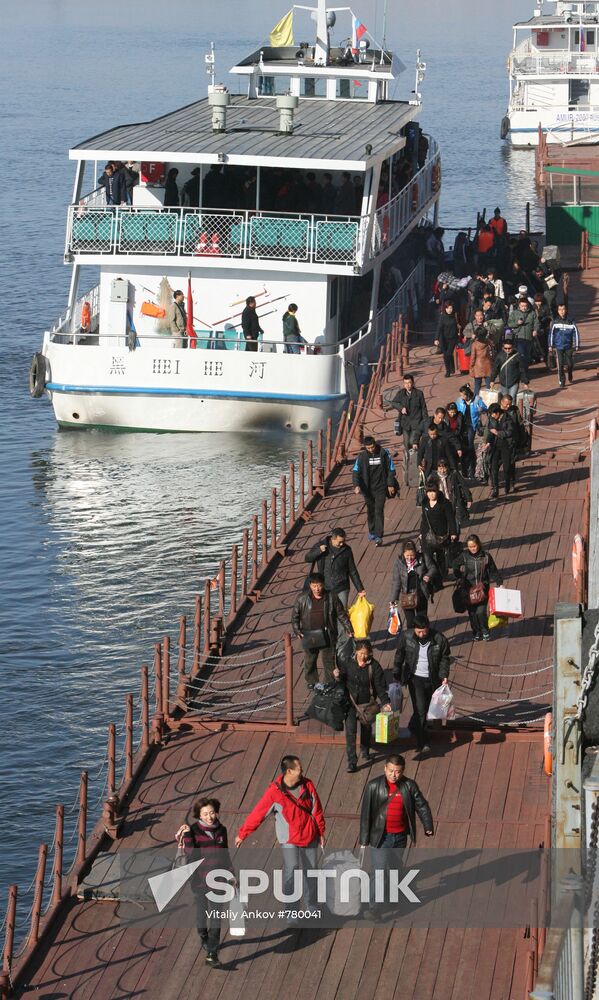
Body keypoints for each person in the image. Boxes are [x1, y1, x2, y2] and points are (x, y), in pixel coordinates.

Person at [234, 755, 325, 915]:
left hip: (310, 835)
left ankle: (311, 904)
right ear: (289, 771)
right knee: (292, 869)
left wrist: (321, 832)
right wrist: (243, 834)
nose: (302, 771)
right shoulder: (274, 792)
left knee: (311, 871)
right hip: (289, 839)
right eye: (299, 769)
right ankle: (291, 911)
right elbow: (258, 813)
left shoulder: (307, 784)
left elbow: (316, 809)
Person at [359, 755, 433, 915]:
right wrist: (364, 839)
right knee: (378, 871)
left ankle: (393, 900)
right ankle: (374, 908)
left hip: (400, 837)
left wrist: (428, 825)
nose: (394, 775)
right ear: (385, 768)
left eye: (398, 772)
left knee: (394, 869)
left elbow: (422, 805)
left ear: (403, 771)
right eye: (391, 771)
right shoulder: (373, 786)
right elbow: (365, 813)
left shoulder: (409, 786)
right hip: (381, 837)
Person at [176, 797, 232, 968]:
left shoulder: (222, 830)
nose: (210, 817)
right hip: (199, 880)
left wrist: (232, 874)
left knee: (216, 918)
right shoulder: (192, 831)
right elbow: (191, 854)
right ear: (199, 815)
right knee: (202, 914)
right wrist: (186, 836)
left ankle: (211, 954)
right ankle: (203, 936)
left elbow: (225, 854)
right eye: (206, 814)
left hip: (218, 881)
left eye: (212, 813)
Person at [393, 615, 451, 752]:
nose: (421, 634)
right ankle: (423, 741)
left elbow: (445, 658)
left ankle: (413, 726)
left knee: (426, 707)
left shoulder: (439, 639)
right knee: (421, 710)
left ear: (428, 628)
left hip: (432, 679)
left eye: (423, 631)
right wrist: (396, 673)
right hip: (415, 678)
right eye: (418, 631)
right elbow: (399, 655)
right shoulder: (406, 637)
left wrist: (444, 675)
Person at [333, 640, 391, 773]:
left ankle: (365, 749)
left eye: (365, 654)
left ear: (370, 653)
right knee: (350, 732)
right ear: (356, 652)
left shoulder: (375, 666)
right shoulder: (349, 663)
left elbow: (380, 686)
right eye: (360, 653)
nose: (363, 657)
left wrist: (385, 702)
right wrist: (337, 676)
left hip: (367, 704)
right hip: (350, 703)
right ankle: (351, 762)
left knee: (366, 728)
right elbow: (342, 679)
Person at [291, 572, 352, 688]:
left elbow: (341, 614)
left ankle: (329, 683)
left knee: (329, 660)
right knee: (310, 661)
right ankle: (312, 682)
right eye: (314, 586)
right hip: (310, 635)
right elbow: (295, 617)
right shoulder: (301, 598)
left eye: (319, 585)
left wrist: (349, 628)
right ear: (310, 585)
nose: (317, 589)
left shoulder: (332, 597)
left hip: (327, 634)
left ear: (323, 584)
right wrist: (297, 630)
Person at [452, 534, 503, 642]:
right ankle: (476, 631)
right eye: (470, 547)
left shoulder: (486, 556)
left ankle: (485, 631)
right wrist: (459, 575)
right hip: (468, 589)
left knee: (481, 612)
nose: (473, 549)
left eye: (474, 546)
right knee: (472, 613)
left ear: (478, 544)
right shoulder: (464, 556)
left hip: (482, 588)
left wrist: (500, 583)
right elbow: (454, 564)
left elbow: (493, 570)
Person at [304, 527, 365, 609]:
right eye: (340, 542)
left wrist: (360, 589)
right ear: (333, 539)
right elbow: (308, 558)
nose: (342, 544)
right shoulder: (321, 546)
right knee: (327, 612)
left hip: (342, 586)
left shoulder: (346, 550)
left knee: (342, 612)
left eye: (343, 541)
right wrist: (319, 551)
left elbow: (352, 570)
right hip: (325, 586)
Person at [352, 436, 397, 546]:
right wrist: (356, 485)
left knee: (379, 509)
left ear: (375, 444)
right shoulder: (361, 457)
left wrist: (390, 484)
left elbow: (391, 469)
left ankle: (378, 535)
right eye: (368, 448)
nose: (371, 449)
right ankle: (372, 531)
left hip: (381, 487)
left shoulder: (384, 453)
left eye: (372, 447)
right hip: (367, 489)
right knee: (371, 510)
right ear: (365, 447)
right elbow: (356, 472)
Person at [389, 539, 437, 629]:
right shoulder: (399, 563)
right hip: (407, 597)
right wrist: (393, 599)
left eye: (412, 555)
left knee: (422, 620)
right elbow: (396, 582)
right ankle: (412, 640)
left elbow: (433, 568)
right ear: (403, 553)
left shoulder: (423, 557)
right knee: (410, 622)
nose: (410, 557)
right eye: (407, 555)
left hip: (421, 594)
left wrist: (428, 575)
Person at [420, 481, 458, 580]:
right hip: (427, 534)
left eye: (433, 491)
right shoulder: (425, 503)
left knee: (441, 556)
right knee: (427, 556)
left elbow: (450, 518)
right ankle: (431, 575)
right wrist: (421, 533)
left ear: (437, 491)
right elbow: (424, 519)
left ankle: (442, 575)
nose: (431, 494)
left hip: (441, 535)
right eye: (429, 492)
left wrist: (453, 532)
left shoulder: (445, 503)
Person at [483, 401, 518, 497]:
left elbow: (509, 433)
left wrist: (498, 433)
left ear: (498, 413)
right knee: (493, 467)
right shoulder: (492, 419)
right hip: (495, 446)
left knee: (507, 468)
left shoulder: (508, 419)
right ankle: (495, 489)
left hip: (507, 446)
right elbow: (490, 432)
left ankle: (508, 485)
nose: (492, 416)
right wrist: (487, 443)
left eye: (493, 414)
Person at [393, 373, 429, 460]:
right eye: (405, 383)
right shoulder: (401, 393)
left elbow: (423, 408)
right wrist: (401, 408)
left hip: (416, 422)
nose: (407, 385)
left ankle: (417, 457)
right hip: (405, 423)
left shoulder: (419, 394)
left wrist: (426, 422)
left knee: (412, 441)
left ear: (413, 383)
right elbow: (394, 402)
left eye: (409, 383)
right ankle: (408, 458)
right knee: (406, 443)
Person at [456, 384, 487, 477]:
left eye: (463, 395)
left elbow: (485, 408)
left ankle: (471, 466)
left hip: (472, 425)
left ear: (468, 394)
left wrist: (481, 409)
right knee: (463, 444)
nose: (461, 397)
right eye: (460, 395)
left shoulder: (477, 399)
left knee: (469, 444)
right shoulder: (459, 401)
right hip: (462, 425)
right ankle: (465, 466)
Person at [507, 296, 540, 383]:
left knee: (527, 357)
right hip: (518, 338)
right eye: (522, 306)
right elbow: (509, 324)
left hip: (529, 338)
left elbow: (536, 322)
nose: (524, 307)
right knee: (521, 356)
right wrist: (517, 323)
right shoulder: (514, 313)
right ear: (519, 306)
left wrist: (535, 330)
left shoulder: (532, 313)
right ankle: (522, 375)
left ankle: (525, 372)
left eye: (525, 306)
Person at [434, 457, 472, 531]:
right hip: (441, 503)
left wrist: (469, 499)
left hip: (453, 501)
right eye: (440, 468)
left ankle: (455, 537)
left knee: (456, 524)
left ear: (447, 467)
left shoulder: (454, 473)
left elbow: (464, 485)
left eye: (444, 468)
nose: (442, 471)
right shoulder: (433, 477)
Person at [549, 303, 580, 388]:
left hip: (569, 346)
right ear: (558, 311)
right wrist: (550, 345)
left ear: (566, 310)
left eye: (563, 309)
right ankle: (562, 381)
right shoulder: (555, 321)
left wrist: (576, 345)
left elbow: (576, 333)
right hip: (559, 346)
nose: (562, 311)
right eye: (560, 310)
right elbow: (551, 334)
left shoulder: (571, 321)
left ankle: (570, 373)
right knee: (560, 364)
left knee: (570, 364)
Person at [491, 335, 528, 402]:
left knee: (512, 399)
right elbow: (495, 368)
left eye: (509, 348)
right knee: (504, 400)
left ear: (513, 347)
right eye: (505, 348)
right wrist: (492, 380)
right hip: (503, 383)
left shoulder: (517, 356)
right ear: (503, 348)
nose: (507, 350)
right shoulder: (499, 356)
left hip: (514, 382)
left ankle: (511, 412)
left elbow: (522, 369)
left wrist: (525, 382)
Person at [434, 300, 459, 377]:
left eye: (451, 308)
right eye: (448, 308)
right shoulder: (442, 317)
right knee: (446, 355)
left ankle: (452, 368)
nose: (449, 310)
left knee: (449, 353)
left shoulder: (455, 315)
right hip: (444, 338)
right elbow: (439, 327)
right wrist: (436, 339)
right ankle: (448, 370)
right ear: (445, 308)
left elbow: (458, 325)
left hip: (453, 338)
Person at [468, 328, 493, 397]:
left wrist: (470, 367)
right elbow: (493, 352)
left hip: (477, 366)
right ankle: (489, 400)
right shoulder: (489, 342)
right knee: (489, 386)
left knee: (477, 386)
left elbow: (472, 357)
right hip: (488, 365)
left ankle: (476, 401)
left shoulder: (475, 344)